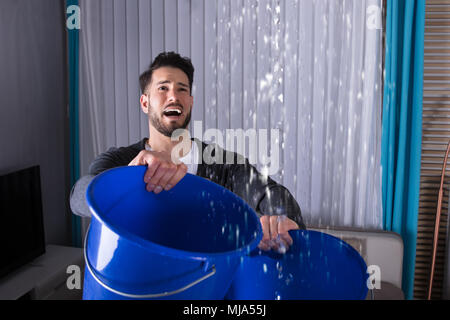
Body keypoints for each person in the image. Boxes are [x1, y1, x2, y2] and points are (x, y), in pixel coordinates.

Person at [70, 52, 305, 253]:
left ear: (190, 102)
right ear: (145, 103)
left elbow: (269, 192)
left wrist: (280, 219)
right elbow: (79, 197)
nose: (174, 96)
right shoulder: (120, 160)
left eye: (182, 89)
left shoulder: (222, 164)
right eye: (163, 88)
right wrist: (127, 180)